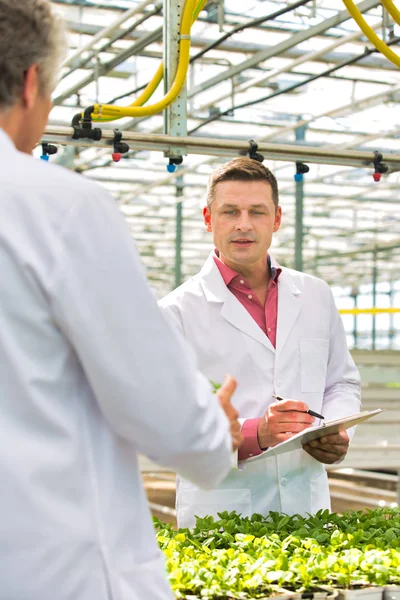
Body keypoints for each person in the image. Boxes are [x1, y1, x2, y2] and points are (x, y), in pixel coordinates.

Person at [0, 2, 243, 599]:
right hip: (53, 567)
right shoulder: (54, 207)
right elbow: (158, 407)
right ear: (31, 82)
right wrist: (217, 432)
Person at [160, 157, 361, 529]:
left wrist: (335, 429)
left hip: (308, 506)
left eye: (257, 211)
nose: (243, 224)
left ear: (277, 219)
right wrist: (256, 434)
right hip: (221, 514)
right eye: (230, 211)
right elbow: (166, 421)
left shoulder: (315, 295)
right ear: (208, 219)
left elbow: (341, 383)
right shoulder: (175, 312)